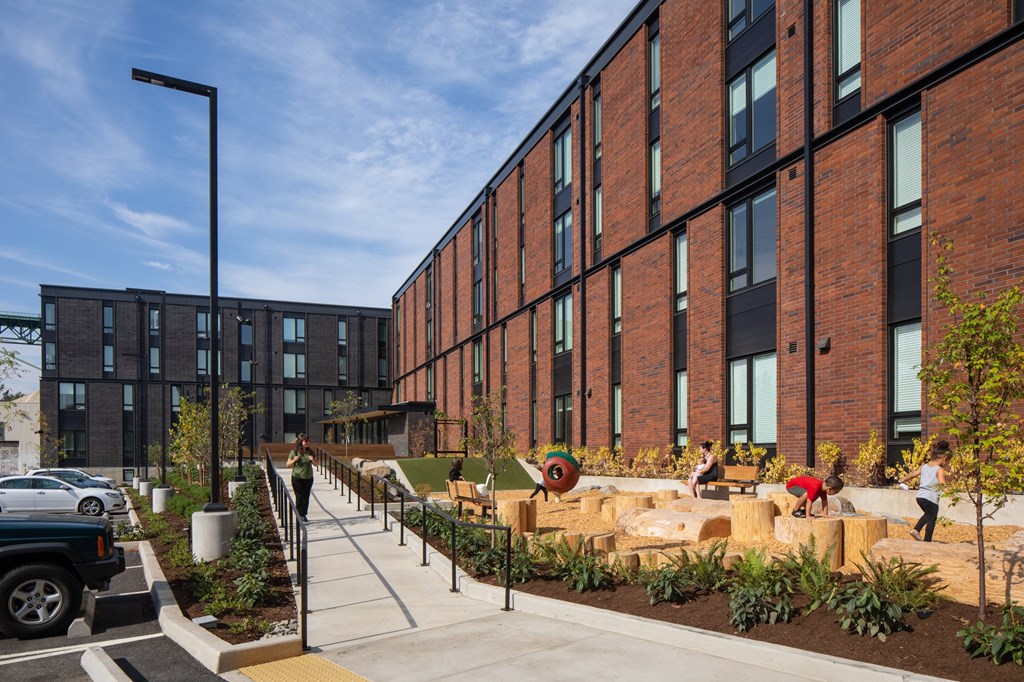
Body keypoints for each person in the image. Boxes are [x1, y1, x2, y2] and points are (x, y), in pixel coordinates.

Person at [899, 440, 950, 542]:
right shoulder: (939, 470)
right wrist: (951, 494)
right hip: (931, 498)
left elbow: (913, 474)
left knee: (928, 515)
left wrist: (903, 479)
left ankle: (916, 530)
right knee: (932, 519)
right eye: (948, 461)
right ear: (944, 458)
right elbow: (942, 483)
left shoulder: (924, 467)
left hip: (920, 497)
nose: (947, 463)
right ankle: (927, 540)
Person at [286, 436, 316, 523]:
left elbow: (316, 464)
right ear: (301, 442)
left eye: (308, 440)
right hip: (297, 478)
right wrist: (294, 460)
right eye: (306, 441)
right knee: (300, 497)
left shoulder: (310, 452)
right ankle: (300, 515)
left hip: (308, 478)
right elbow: (287, 465)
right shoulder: (294, 452)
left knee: (306, 497)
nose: (308, 442)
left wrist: (312, 460)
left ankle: (304, 514)